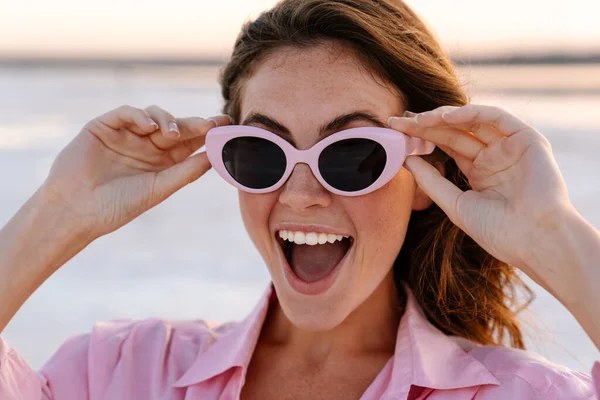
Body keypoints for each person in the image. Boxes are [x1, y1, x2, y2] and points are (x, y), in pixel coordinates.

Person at [1, 0, 599, 398]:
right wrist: (57, 213)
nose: (304, 194)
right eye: (263, 154)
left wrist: (553, 231)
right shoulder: (122, 371)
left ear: (426, 175)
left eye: (354, 154)